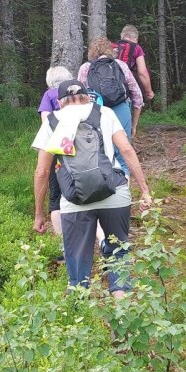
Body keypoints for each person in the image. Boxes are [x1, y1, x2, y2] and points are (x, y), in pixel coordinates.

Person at [32, 80, 153, 297]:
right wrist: (144, 190)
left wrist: (39, 214)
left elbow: (41, 172)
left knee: (77, 268)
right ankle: (122, 311)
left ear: (59, 103)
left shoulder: (52, 121)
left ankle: (79, 319)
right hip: (114, 193)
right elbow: (125, 149)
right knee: (118, 254)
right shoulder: (104, 112)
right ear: (88, 97)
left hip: (74, 201)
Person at [78, 38, 144, 173]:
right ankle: (124, 187)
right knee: (123, 152)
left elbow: (80, 96)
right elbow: (137, 95)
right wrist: (134, 124)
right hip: (121, 108)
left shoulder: (85, 68)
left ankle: (104, 188)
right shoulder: (120, 65)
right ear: (110, 51)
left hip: (96, 112)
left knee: (99, 151)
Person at [38, 66, 74, 254]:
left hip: (56, 150)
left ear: (50, 80)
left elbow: (46, 121)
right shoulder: (76, 91)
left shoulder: (49, 95)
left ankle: (63, 246)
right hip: (80, 149)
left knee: (56, 196)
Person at [114, 25, 155, 105]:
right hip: (124, 87)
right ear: (135, 38)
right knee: (136, 105)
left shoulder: (112, 46)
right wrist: (149, 91)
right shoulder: (136, 48)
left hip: (107, 86)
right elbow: (142, 73)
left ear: (122, 35)